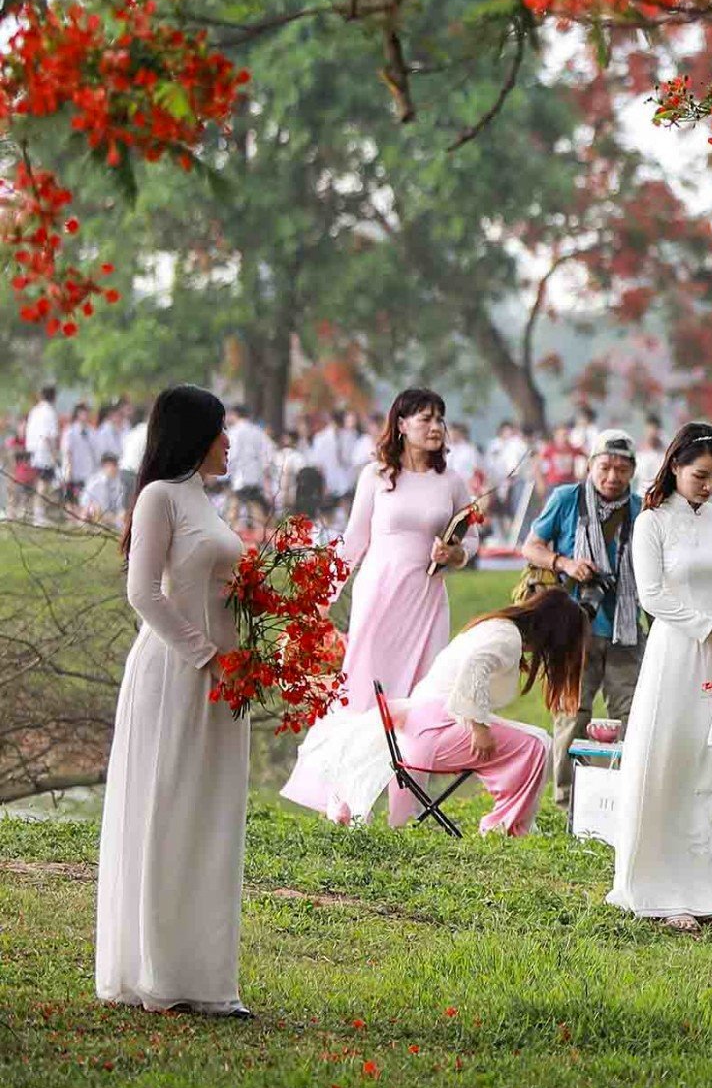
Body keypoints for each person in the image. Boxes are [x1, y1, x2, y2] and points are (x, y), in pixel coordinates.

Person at [94, 385, 250, 1016]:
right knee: (167, 805)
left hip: (222, 678)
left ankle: (206, 978)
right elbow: (143, 592)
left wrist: (253, 647)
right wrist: (204, 653)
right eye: (221, 430)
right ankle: (155, 970)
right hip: (175, 672)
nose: (230, 442)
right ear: (195, 433)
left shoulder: (205, 502)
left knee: (212, 815)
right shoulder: (160, 498)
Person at [280, 389, 479, 826]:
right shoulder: (377, 476)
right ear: (402, 424)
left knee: (421, 697)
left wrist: (455, 556)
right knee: (364, 694)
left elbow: (472, 538)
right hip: (380, 596)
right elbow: (353, 542)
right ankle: (345, 800)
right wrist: (319, 601)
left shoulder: (452, 481)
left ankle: (404, 810)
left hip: (427, 598)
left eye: (440, 418)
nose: (435, 427)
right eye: (425, 418)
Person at [611, 422, 712, 931]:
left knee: (709, 773)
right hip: (675, 655)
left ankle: (707, 893)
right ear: (675, 466)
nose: (709, 485)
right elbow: (653, 595)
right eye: (700, 475)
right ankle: (656, 890)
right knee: (667, 765)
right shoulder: (652, 522)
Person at [522, 431, 647, 815]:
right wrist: (566, 564)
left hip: (626, 630)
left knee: (631, 717)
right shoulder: (566, 499)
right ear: (590, 465)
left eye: (622, 469)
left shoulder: (643, 511)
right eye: (606, 467)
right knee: (572, 716)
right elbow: (531, 547)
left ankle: (621, 804)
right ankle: (567, 804)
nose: (613, 477)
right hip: (575, 630)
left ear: (632, 473)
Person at [394, 590, 588, 837]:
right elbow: (475, 664)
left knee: (537, 739)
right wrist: (479, 727)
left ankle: (513, 818)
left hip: (423, 724)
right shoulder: (507, 637)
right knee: (537, 745)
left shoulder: (499, 627)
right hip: (435, 730)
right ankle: (505, 826)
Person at [23, 385, 59, 520]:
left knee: (40, 482)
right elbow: (50, 435)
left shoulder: (35, 411)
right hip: (44, 451)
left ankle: (38, 511)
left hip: (33, 449)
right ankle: (39, 514)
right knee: (44, 483)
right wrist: (54, 454)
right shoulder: (50, 412)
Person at [60, 401, 100, 503]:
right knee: (72, 500)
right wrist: (69, 470)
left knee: (85, 500)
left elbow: (96, 451)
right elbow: (67, 451)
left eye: (87, 412)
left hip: (89, 471)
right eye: (83, 412)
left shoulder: (92, 431)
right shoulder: (70, 431)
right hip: (74, 472)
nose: (86, 415)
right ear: (77, 413)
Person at [79, 454, 131, 525]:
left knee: (124, 514)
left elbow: (119, 505)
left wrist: (121, 513)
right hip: (94, 512)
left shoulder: (119, 483)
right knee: (96, 510)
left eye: (116, 465)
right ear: (106, 466)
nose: (116, 468)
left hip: (110, 514)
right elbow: (86, 503)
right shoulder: (96, 482)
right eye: (114, 465)